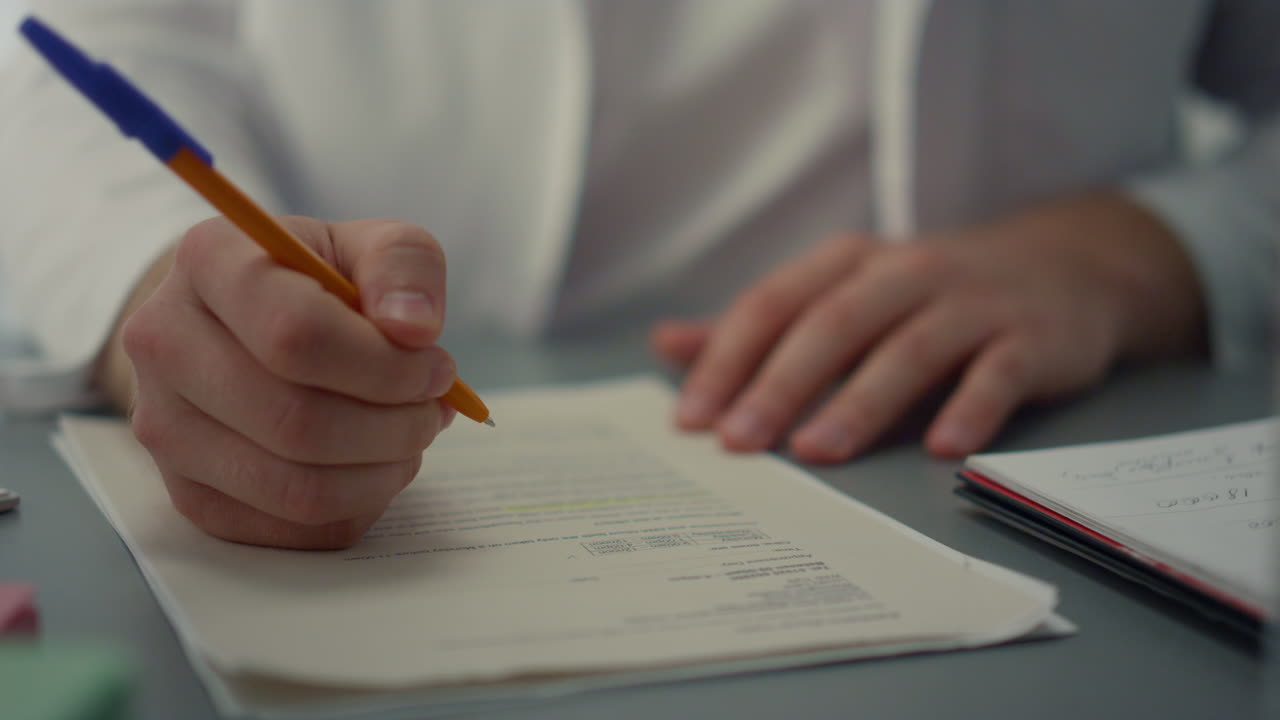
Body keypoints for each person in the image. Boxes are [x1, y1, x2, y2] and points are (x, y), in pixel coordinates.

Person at [0, 1, 1276, 549]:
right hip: (416, 467)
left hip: (1034, 449)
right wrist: (163, 282)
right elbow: (83, 57)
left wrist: (1143, 253)